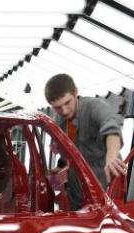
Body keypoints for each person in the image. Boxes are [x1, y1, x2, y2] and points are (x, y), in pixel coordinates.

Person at [45, 73, 127, 210]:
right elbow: (68, 151)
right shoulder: (59, 122)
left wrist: (111, 157)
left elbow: (111, 130)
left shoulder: (95, 107)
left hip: (105, 181)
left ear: (76, 92)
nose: (64, 111)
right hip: (77, 185)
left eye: (67, 102)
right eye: (57, 107)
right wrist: (60, 166)